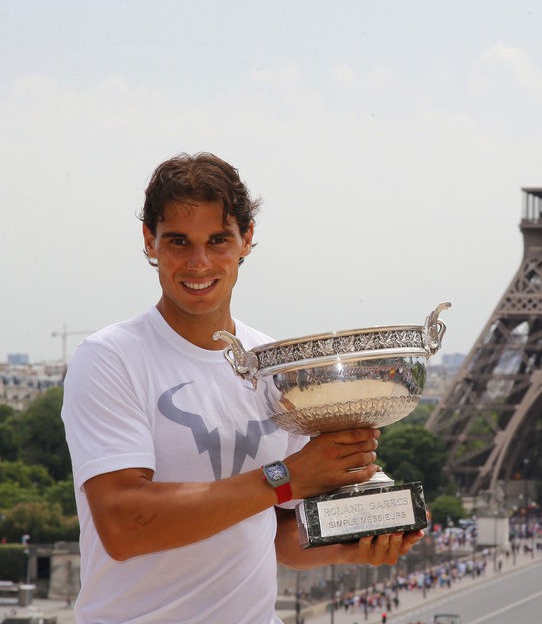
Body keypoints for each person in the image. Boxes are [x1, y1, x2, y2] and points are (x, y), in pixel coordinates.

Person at [62, 152, 424, 623]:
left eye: (218, 240)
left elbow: (272, 531)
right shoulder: (110, 358)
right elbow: (126, 524)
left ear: (246, 240)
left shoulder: (274, 363)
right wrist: (285, 477)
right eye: (178, 241)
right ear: (149, 242)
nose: (199, 262)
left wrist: (354, 541)